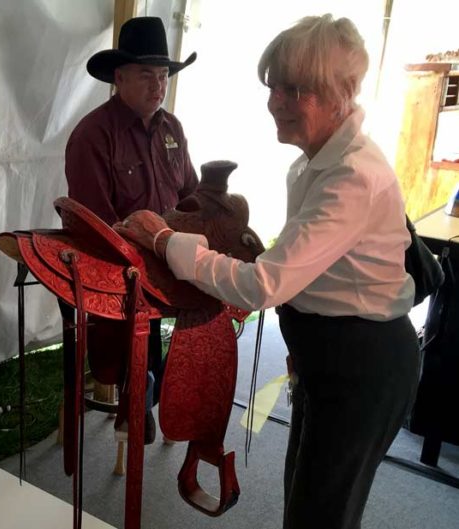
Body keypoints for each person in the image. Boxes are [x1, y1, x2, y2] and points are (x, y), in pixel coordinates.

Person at [114, 14, 419, 529]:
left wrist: (165, 240)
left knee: (320, 515)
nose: (275, 101)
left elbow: (264, 285)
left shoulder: (350, 178)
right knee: (307, 501)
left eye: (294, 88)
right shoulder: (312, 163)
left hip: (361, 363)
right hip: (328, 353)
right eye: (273, 84)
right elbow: (319, 273)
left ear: (341, 93)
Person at [64, 16, 199, 443]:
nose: (158, 86)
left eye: (163, 76)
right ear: (118, 78)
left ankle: (173, 390)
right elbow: (95, 223)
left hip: (169, 252)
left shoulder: (172, 129)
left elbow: (191, 196)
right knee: (132, 296)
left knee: (213, 300)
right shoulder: (93, 135)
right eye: (146, 76)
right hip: (119, 260)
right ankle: (136, 389)